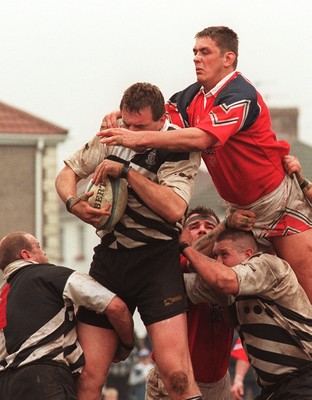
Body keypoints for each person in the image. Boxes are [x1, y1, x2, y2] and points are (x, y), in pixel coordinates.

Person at [98, 26, 312, 302]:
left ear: (228, 58)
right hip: (238, 211)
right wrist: (125, 116)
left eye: (205, 52)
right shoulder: (192, 96)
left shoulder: (240, 94)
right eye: (195, 52)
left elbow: (202, 138)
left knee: (306, 293)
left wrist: (136, 138)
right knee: (227, 292)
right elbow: (159, 117)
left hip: (278, 204)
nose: (197, 58)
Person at [55, 82, 202, 400]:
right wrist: (73, 204)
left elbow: (174, 208)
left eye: (140, 128)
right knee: (87, 378)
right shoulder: (113, 132)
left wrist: (126, 172)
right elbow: (67, 172)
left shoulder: (178, 144)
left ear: (161, 121)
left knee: (176, 377)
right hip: (111, 260)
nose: (130, 133)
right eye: (127, 124)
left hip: (157, 263)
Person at [180, 227, 312, 400]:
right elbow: (177, 284)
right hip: (274, 389)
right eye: (215, 256)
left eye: (224, 254)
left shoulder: (267, 265)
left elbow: (223, 280)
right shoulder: (227, 286)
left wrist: (185, 247)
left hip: (305, 378)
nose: (218, 262)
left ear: (248, 254)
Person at [0, 231, 134, 400]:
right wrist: (126, 345)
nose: (44, 252)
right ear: (26, 255)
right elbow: (116, 307)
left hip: (6, 386)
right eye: (38, 247)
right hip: (43, 379)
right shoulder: (49, 276)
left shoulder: (3, 295)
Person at [146, 206, 255, 400]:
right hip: (175, 382)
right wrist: (224, 225)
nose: (203, 229)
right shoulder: (171, 263)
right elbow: (188, 256)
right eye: (195, 226)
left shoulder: (228, 270)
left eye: (209, 226)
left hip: (219, 382)